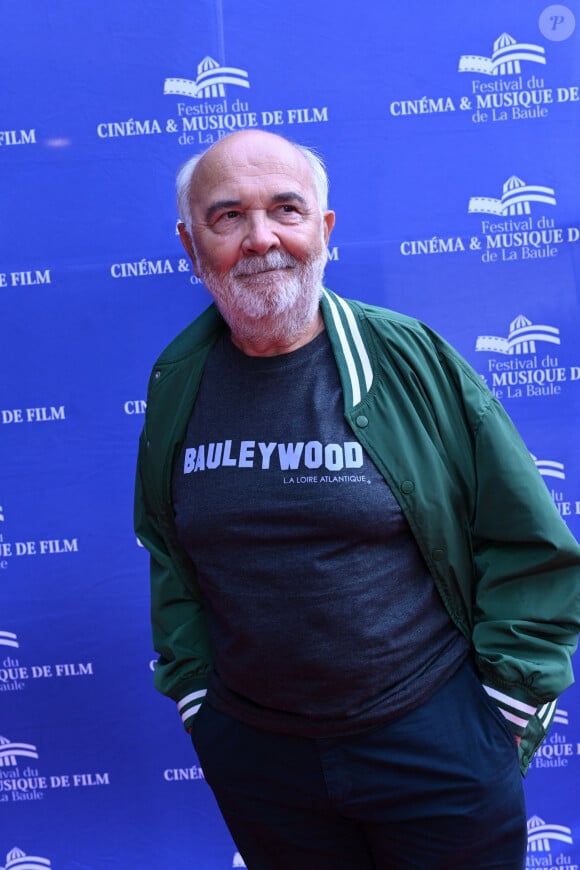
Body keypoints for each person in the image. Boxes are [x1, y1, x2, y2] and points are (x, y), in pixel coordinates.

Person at [135, 129, 580, 869]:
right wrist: (198, 705)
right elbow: (169, 551)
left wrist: (501, 714)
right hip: (260, 759)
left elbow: (527, 543)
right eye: (228, 217)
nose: (262, 239)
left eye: (286, 209)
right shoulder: (176, 379)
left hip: (436, 742)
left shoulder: (414, 360)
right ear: (191, 245)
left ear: (324, 230)